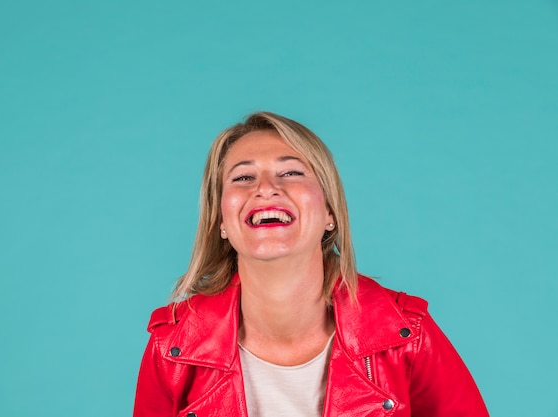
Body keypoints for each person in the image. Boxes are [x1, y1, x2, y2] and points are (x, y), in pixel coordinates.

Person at [133, 112, 489, 417]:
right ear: (221, 221)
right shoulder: (173, 348)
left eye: (291, 173)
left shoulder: (407, 335)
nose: (266, 188)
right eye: (243, 177)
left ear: (330, 213)